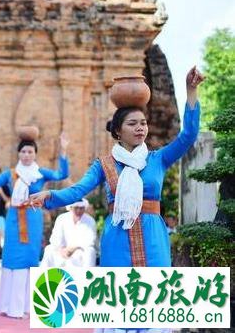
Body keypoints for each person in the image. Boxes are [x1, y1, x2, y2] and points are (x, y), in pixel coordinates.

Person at [29, 67, 204, 333]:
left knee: (154, 298)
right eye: (133, 124)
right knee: (119, 302)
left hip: (153, 237)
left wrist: (191, 91)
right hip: (118, 238)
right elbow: (78, 190)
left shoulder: (157, 159)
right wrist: (50, 196)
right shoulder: (105, 165)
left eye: (143, 123)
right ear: (118, 132)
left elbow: (188, 136)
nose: (140, 128)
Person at [0, 132, 70, 318]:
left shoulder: (41, 173)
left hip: (33, 219)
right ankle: (9, 306)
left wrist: (63, 150)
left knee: (30, 259)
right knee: (13, 258)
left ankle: (26, 307)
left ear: (35, 154)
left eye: (30, 151)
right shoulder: (10, 174)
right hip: (14, 218)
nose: (27, 155)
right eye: (23, 151)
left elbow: (62, 174)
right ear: (18, 154)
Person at [40, 198, 97, 268]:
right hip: (62, 251)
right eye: (76, 208)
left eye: (81, 208)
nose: (79, 210)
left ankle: (87, 277)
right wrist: (62, 250)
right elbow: (55, 239)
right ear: (70, 208)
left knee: (90, 251)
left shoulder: (90, 221)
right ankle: (44, 276)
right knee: (49, 249)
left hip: (80, 251)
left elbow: (90, 241)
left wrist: (74, 248)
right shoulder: (61, 218)